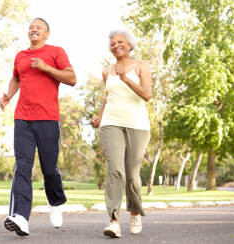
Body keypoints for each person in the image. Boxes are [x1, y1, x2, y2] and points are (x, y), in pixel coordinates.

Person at [0, 18, 77, 236]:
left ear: (47, 34)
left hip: (48, 118)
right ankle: (21, 217)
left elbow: (72, 78)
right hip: (23, 118)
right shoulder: (20, 56)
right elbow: (16, 78)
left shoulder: (55, 52)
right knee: (22, 166)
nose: (33, 29)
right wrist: (8, 95)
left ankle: (55, 201)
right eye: (31, 27)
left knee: (49, 168)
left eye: (38, 28)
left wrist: (46, 67)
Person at [90, 28, 152, 238]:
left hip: (138, 125)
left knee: (132, 175)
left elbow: (147, 95)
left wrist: (125, 78)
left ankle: (135, 212)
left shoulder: (141, 65)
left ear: (130, 45)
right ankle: (114, 220)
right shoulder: (107, 71)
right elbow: (109, 97)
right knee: (115, 171)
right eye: (113, 43)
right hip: (111, 123)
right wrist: (99, 116)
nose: (116, 45)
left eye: (120, 42)